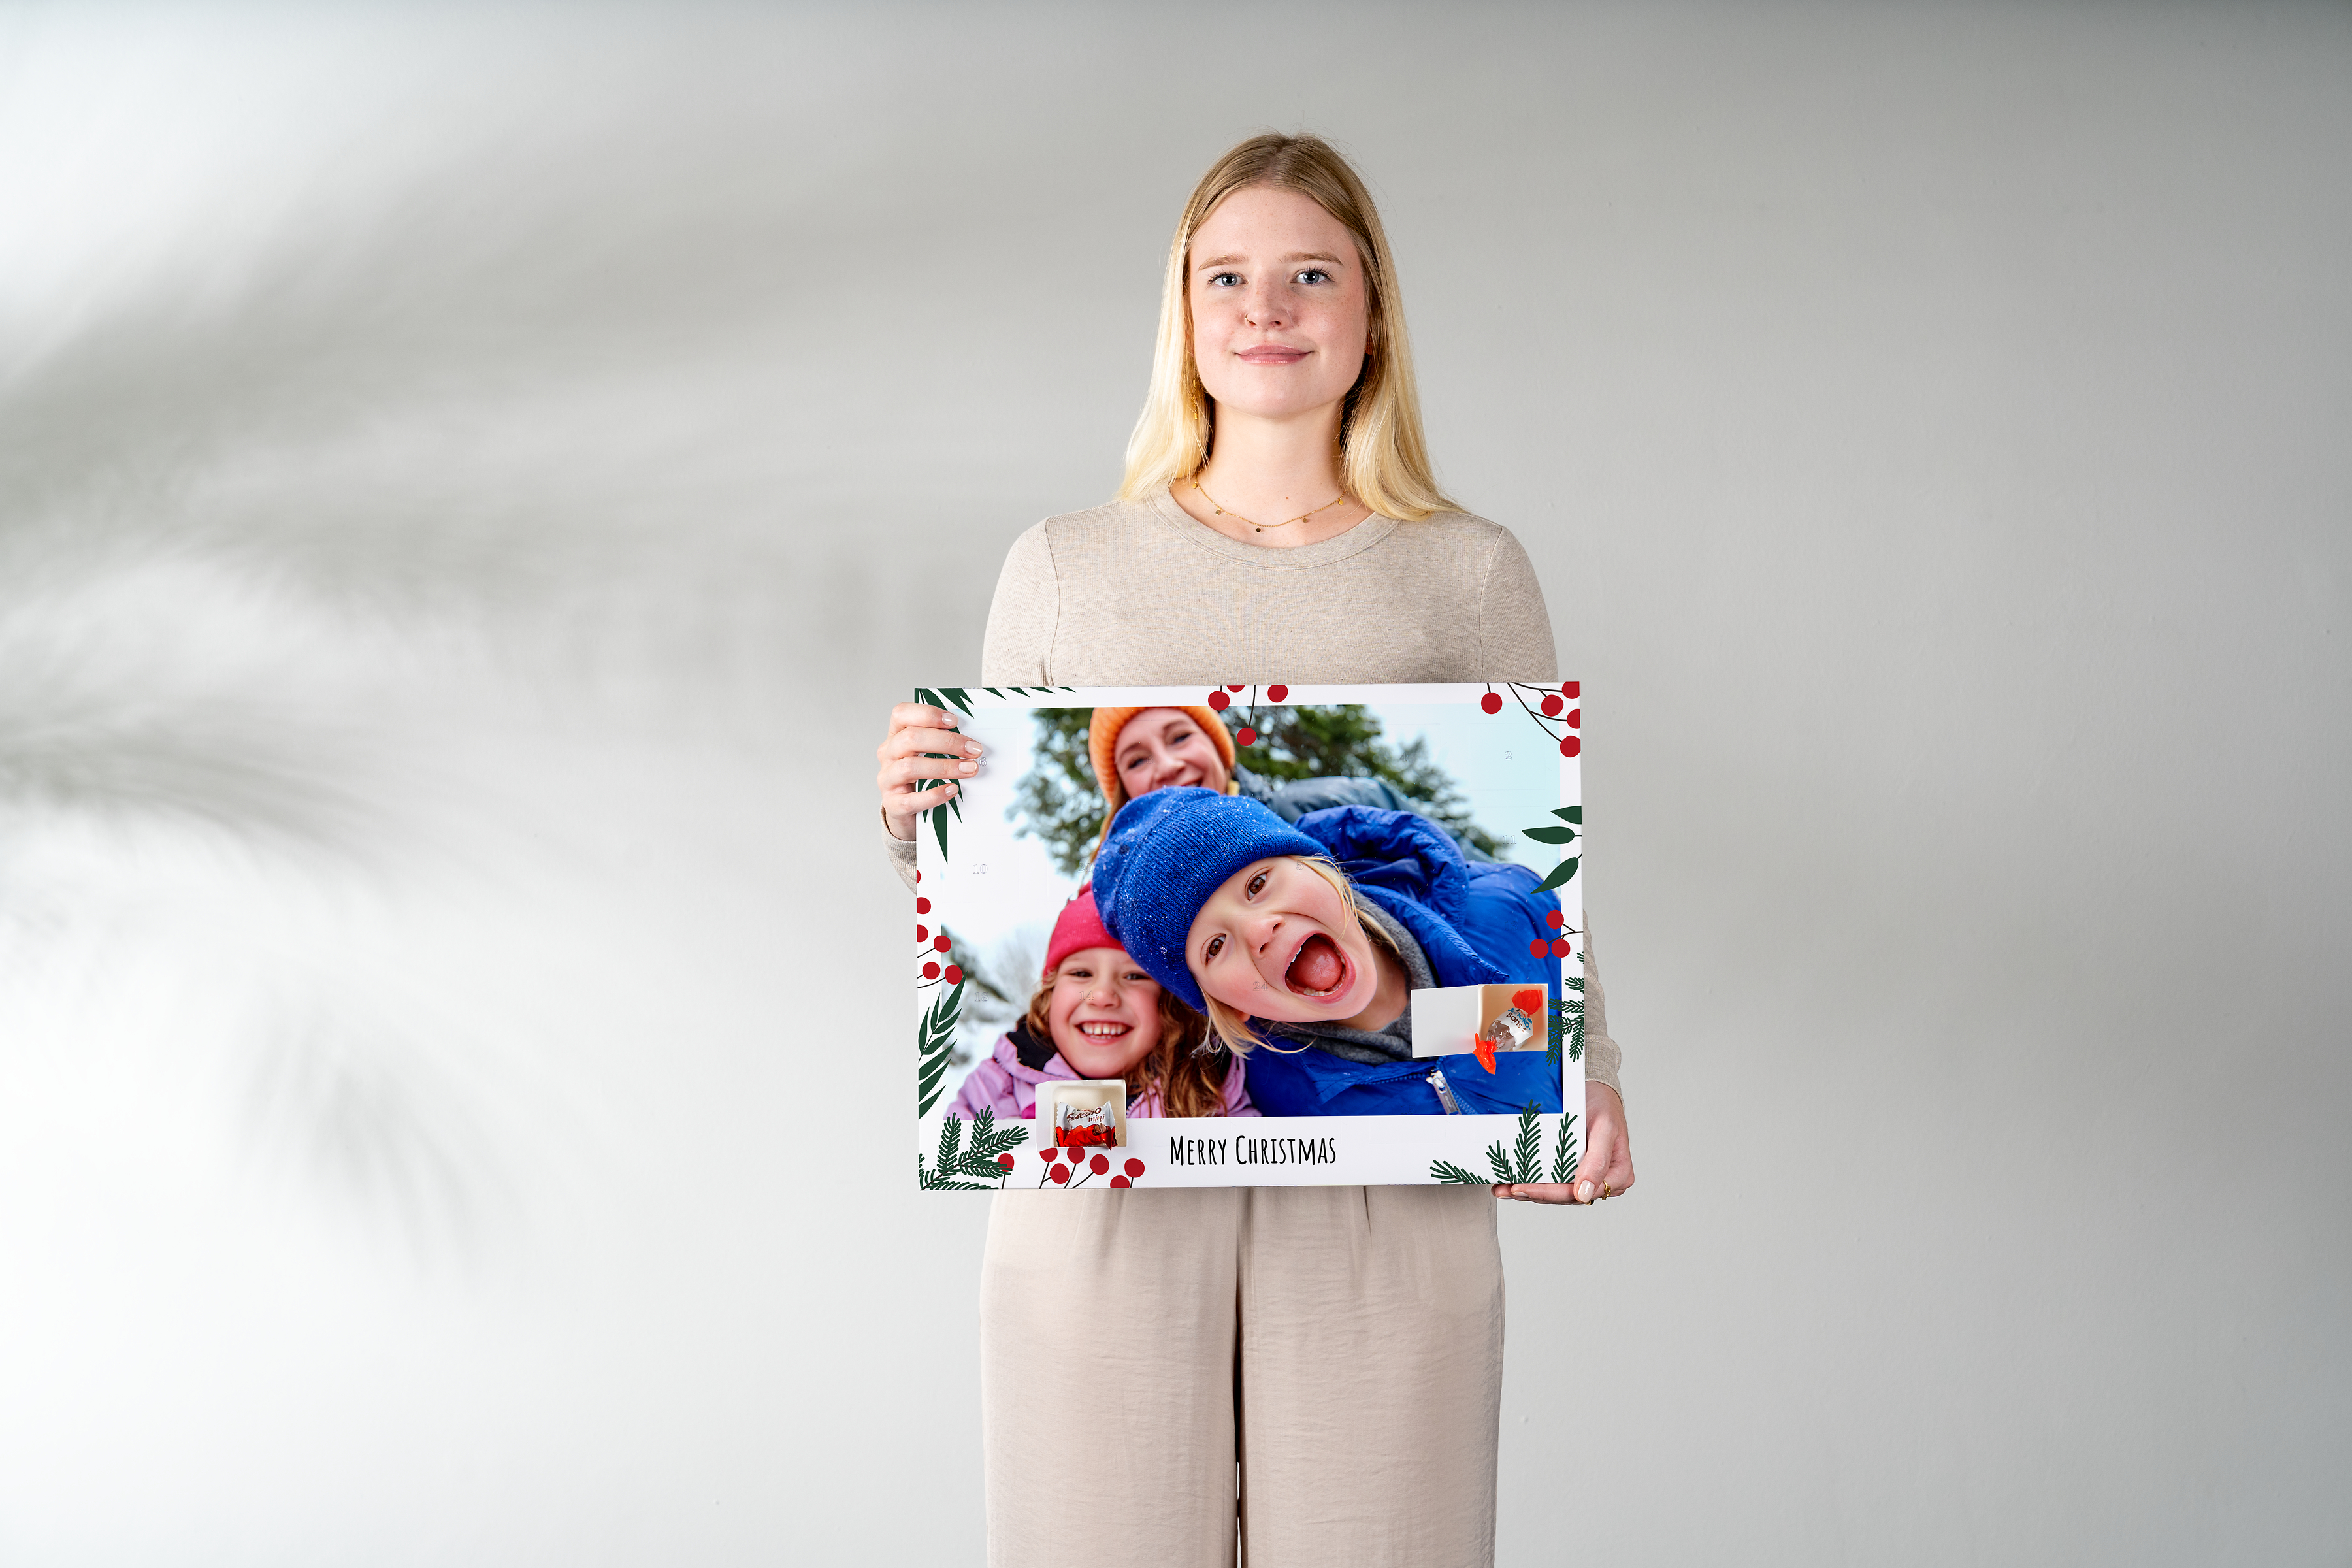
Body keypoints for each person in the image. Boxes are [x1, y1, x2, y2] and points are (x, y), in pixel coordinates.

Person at [872, 131, 1633, 1566]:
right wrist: (917, 810)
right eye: (1226, 276)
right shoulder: (1064, 567)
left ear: (1368, 318)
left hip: (1380, 1170)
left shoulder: (1465, 569)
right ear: (1185, 317)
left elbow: (1547, 872)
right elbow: (974, 925)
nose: (1266, 307)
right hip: (1110, 1182)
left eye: (1307, 274)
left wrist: (1582, 1071)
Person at [1090, 787, 1562, 1116]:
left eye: (1258, 884)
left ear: (1319, 865)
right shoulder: (1276, 1099)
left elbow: (1576, 1018)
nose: (1259, 930)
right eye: (1215, 946)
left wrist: (1599, 1081)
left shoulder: (1511, 907)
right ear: (1223, 1003)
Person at [945, 886, 1256, 1123]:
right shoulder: (997, 1089)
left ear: (1169, 1002)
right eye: (1081, 973)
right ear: (1050, 996)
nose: (1103, 996)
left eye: (1135, 976)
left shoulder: (1212, 1087)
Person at [1091, 700, 1501, 858]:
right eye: (1137, 760)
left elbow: (1479, 879)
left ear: (1219, 749)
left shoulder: (1338, 803)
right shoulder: (1140, 905)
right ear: (1124, 794)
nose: (1166, 765)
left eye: (1180, 737)